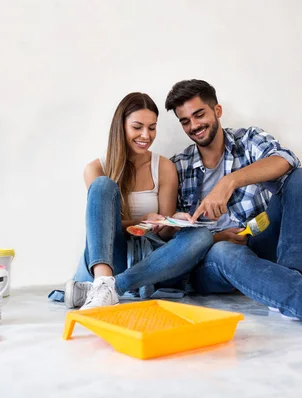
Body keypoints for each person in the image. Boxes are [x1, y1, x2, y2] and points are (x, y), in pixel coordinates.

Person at [165, 79, 302, 339]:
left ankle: (288, 289)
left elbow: (285, 160)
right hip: (212, 259)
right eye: (185, 121)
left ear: (217, 111)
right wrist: (215, 236)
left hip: (259, 238)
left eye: (199, 114)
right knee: (223, 250)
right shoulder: (178, 165)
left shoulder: (248, 139)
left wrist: (228, 182)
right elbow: (173, 236)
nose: (194, 126)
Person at [63, 92, 213, 310]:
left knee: (202, 235)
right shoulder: (95, 169)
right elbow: (102, 227)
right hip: (114, 258)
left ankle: (111, 288)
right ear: (121, 126)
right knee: (103, 185)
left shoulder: (163, 167)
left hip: (151, 262)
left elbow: (165, 234)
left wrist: (172, 221)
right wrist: (139, 221)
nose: (146, 135)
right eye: (137, 127)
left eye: (152, 127)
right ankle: (104, 280)